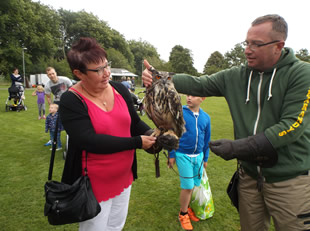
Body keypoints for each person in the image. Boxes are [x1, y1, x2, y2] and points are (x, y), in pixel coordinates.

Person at [142, 14, 310, 231]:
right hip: (248, 177)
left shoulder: (301, 73)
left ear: (279, 46)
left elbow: (292, 127)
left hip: (290, 181)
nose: (247, 50)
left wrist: (239, 147)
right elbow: (199, 84)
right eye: (246, 43)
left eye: (256, 44)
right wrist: (159, 76)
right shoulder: (236, 76)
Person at [59, 37, 158, 231]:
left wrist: (152, 135)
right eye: (98, 70)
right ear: (79, 73)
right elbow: (90, 141)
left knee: (115, 226)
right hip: (93, 184)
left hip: (123, 176)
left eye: (106, 66)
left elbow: (134, 122)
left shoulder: (119, 89)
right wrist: (137, 142)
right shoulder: (71, 100)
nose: (106, 74)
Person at [168, 95, 211, 231]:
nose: (189, 98)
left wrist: (205, 158)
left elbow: (207, 139)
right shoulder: (179, 114)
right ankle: (183, 213)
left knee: (194, 185)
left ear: (202, 98)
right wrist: (171, 154)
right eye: (188, 95)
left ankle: (187, 207)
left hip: (198, 156)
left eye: (193, 95)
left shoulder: (206, 118)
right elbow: (171, 134)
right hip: (182, 155)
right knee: (187, 187)